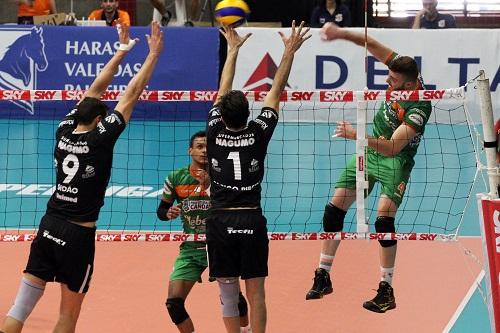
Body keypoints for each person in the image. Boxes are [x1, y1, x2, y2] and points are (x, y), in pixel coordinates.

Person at [0, 20, 163, 333]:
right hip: (77, 235)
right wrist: (153, 54)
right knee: (67, 316)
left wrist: (121, 52)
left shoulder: (63, 130)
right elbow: (131, 93)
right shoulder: (100, 139)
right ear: (100, 119)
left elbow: (93, 91)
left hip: (48, 225)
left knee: (19, 309)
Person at [305, 22, 432, 313]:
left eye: (393, 80)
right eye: (389, 75)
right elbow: (372, 44)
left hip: (394, 160)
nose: (388, 81)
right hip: (368, 153)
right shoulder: (404, 69)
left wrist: (356, 134)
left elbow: (393, 148)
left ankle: (387, 290)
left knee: (383, 222)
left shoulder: (420, 105)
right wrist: (340, 33)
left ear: (410, 85)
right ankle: (323, 275)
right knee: (334, 209)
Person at [206, 22, 310, 333]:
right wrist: (289, 52)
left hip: (220, 222)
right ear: (248, 113)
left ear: (222, 116)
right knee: (256, 294)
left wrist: (232, 49)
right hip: (251, 220)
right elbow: (276, 90)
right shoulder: (258, 131)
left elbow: (222, 90)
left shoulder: (212, 130)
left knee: (227, 295)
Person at [156, 131, 250, 333]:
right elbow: (161, 210)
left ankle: (246, 330)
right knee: (173, 303)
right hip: (191, 247)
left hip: (221, 245)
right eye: (199, 146)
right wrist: (168, 213)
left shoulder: (223, 176)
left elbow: (236, 205)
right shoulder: (175, 178)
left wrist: (209, 186)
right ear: (190, 150)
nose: (204, 151)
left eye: (207, 146)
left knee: (235, 300)